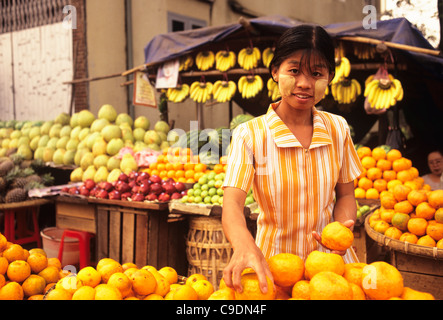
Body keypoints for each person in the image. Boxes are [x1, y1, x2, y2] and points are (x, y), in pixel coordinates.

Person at [221, 24, 363, 294]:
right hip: (273, 268)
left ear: (330, 77)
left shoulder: (338, 129)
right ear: (275, 71)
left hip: (330, 266)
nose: (305, 83)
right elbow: (232, 204)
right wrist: (243, 244)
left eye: (317, 73)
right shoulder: (250, 135)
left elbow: (346, 194)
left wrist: (342, 226)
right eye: (294, 70)